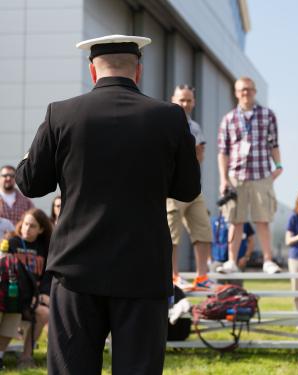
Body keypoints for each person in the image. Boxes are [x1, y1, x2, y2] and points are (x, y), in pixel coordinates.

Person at [15, 35, 200, 374]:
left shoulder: (61, 114)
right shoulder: (170, 117)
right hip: (142, 269)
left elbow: (29, 182)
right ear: (138, 71)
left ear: (92, 71)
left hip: (76, 269)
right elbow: (188, 189)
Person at [217, 76, 282, 274]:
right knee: (235, 220)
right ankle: (231, 261)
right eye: (242, 90)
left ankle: (268, 260)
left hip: (262, 173)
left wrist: (278, 165)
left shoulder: (267, 115)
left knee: (263, 219)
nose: (246, 93)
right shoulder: (228, 119)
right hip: (237, 176)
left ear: (254, 91)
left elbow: (274, 144)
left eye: (249, 89)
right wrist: (223, 179)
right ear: (236, 93)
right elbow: (223, 151)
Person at [168, 84, 215, 291]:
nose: (185, 103)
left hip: (193, 187)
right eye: (181, 99)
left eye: (188, 100)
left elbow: (200, 156)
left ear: (194, 102)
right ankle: (173, 275)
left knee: (203, 229)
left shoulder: (195, 127)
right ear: (173, 99)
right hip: (171, 187)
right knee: (172, 233)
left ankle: (202, 276)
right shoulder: (164, 122)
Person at [4, 209, 53, 369]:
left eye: (32, 226)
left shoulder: (44, 248)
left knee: (44, 313)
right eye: (25, 224)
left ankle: (26, 356)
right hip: (13, 296)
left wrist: (44, 294)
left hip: (35, 297)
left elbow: (47, 275)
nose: (27, 229)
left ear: (41, 229)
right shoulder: (11, 243)